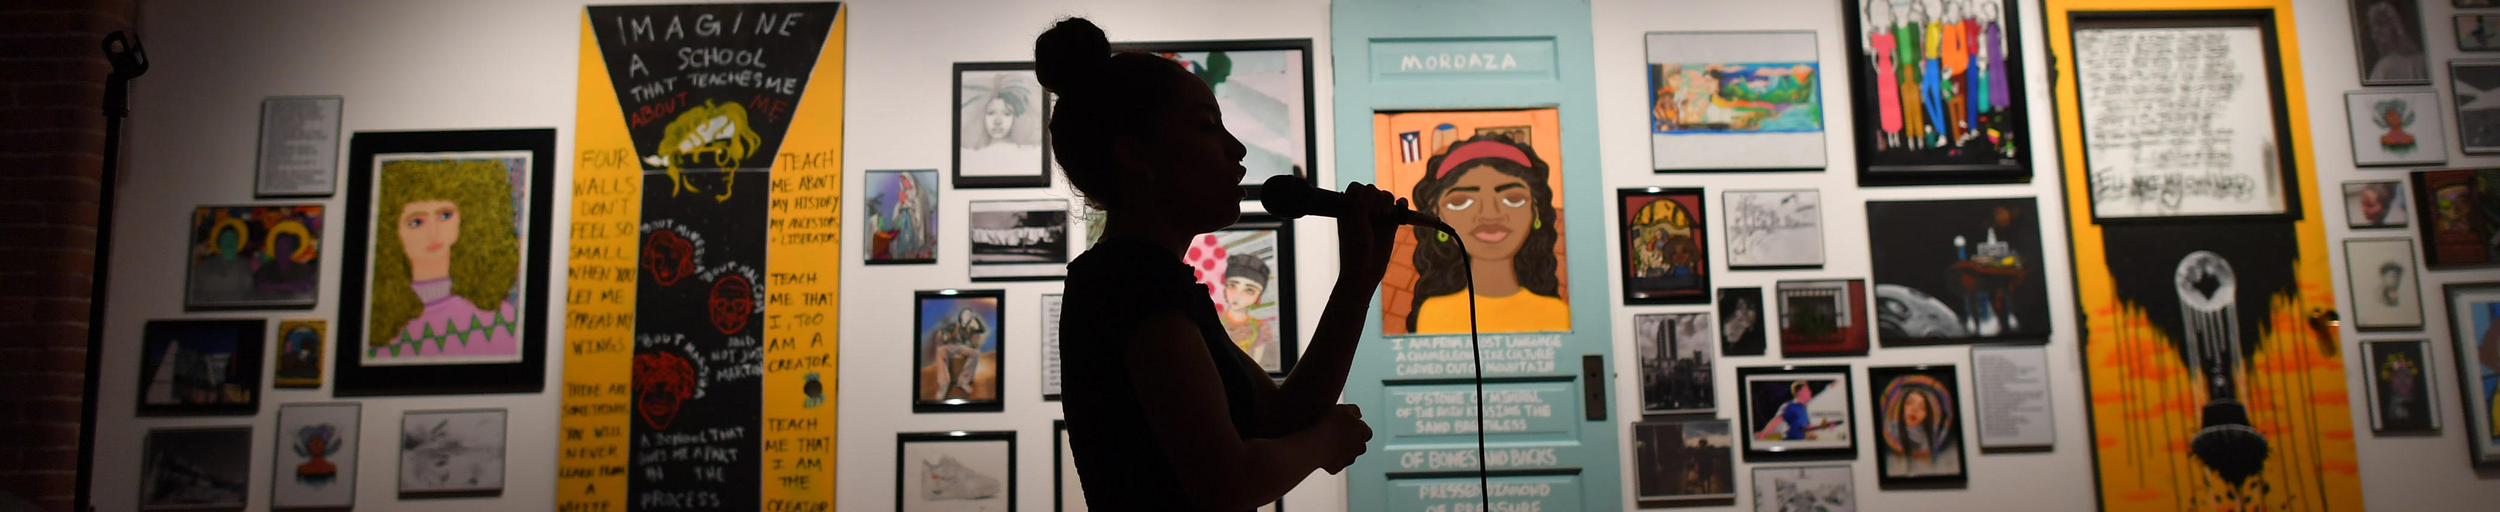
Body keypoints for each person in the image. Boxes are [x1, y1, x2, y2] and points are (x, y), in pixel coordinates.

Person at [1040, 18, 1399, 512]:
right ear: (1135, 154)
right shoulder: (1132, 281)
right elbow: (1225, 483)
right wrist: (1322, 444)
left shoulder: (1147, 277)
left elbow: (1280, 416)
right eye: (1207, 126)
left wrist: (1357, 283)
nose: (1237, 148)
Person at [1403, 135, 1570, 334]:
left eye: (1513, 199)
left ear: (1536, 212)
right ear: (1437, 214)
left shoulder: (1556, 315)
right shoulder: (1432, 315)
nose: (1490, 214)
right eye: (1461, 202)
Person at [367, 158, 521, 360]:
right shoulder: (378, 325)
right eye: (416, 222)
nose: (433, 233)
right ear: (391, 230)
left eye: (445, 216)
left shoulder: (502, 319)